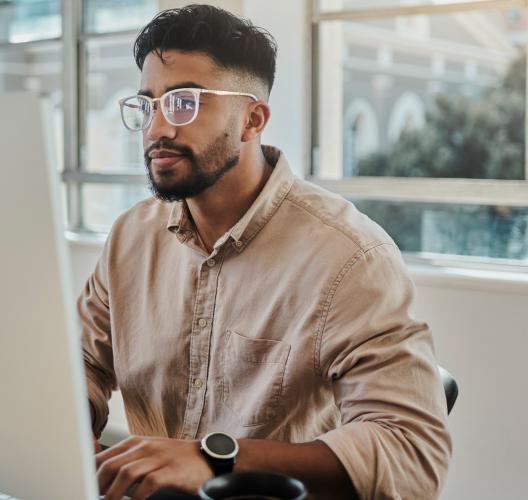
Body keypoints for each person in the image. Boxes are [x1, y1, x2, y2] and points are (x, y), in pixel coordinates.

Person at [79, 5, 451, 499]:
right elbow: (81, 363)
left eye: (184, 103)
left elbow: (411, 452)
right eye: (148, 105)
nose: (157, 130)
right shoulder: (130, 238)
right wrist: (69, 433)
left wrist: (213, 458)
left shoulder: (350, 257)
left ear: (253, 120)